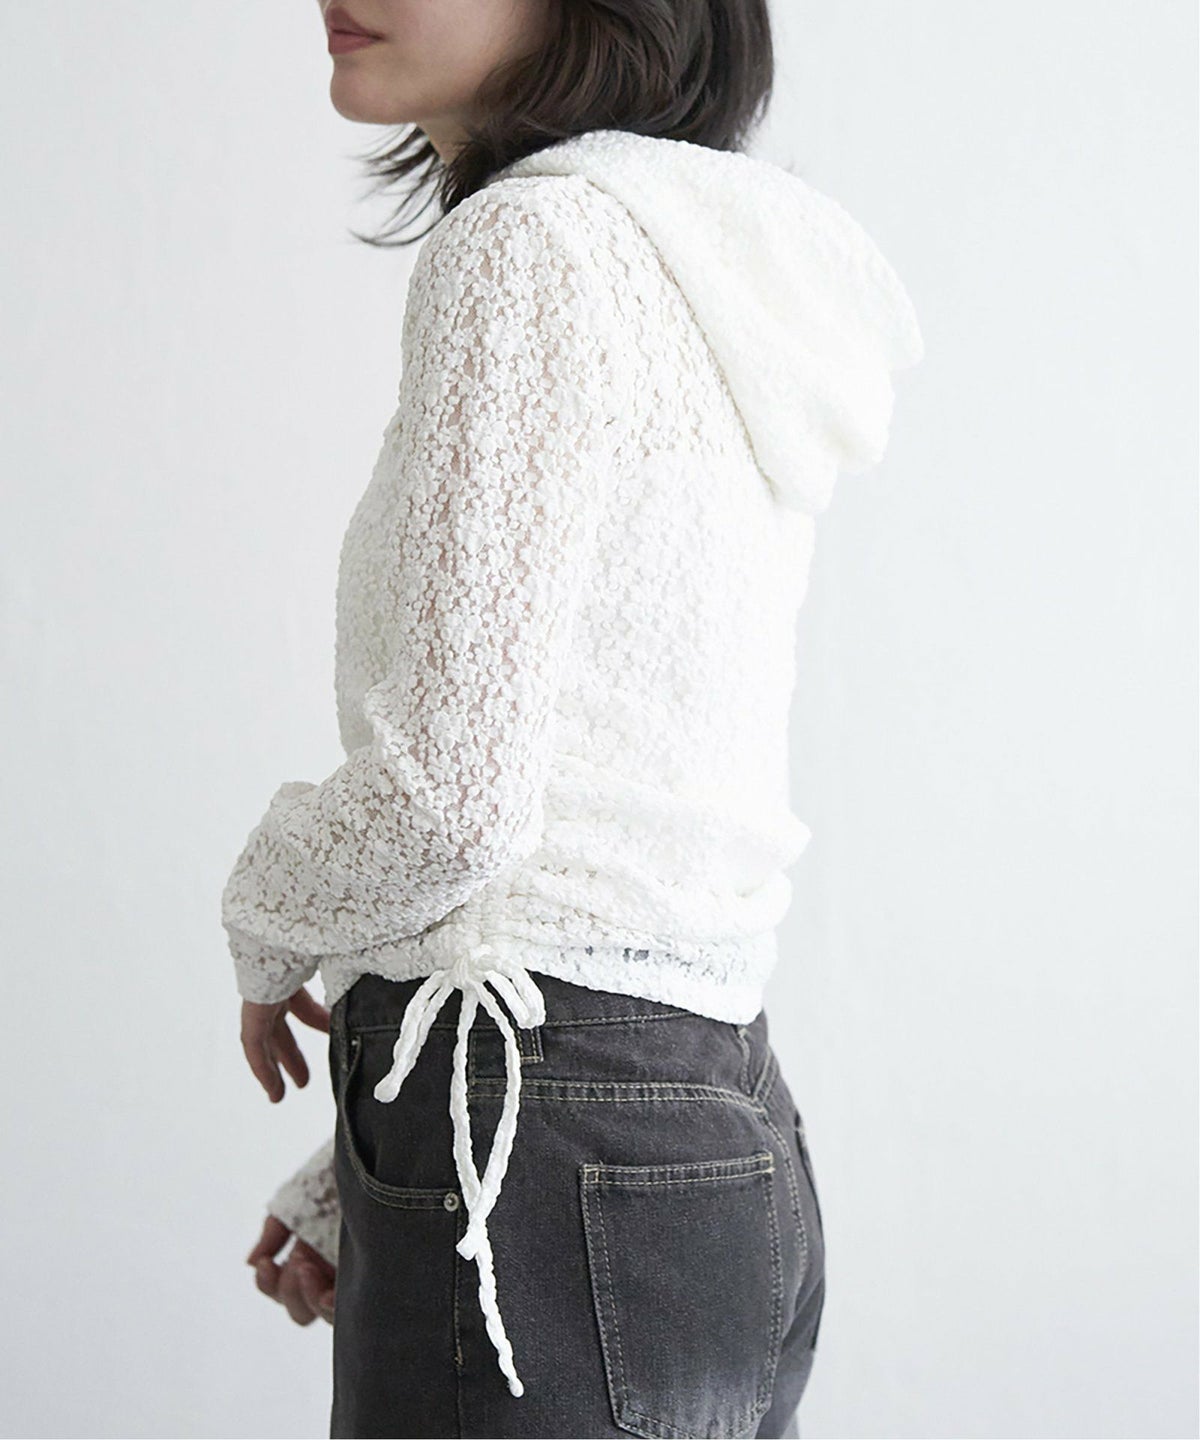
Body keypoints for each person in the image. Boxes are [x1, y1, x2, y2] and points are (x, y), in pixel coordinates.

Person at [223, 1, 924, 1435]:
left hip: (542, 1161)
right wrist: (376, 1167)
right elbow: (607, 827)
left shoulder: (526, 248)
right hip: (713, 1141)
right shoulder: (687, 265)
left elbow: (448, 807)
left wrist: (261, 913)